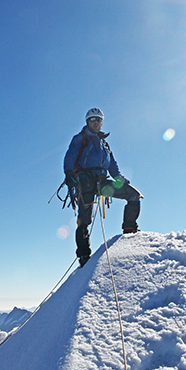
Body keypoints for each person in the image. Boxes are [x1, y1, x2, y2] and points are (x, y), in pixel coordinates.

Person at [63, 108, 142, 267]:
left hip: (101, 180)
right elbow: (70, 156)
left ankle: (129, 229)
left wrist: (118, 178)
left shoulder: (104, 143)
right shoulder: (80, 138)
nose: (96, 122)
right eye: (93, 119)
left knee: (133, 195)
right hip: (84, 180)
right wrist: (69, 174)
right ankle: (84, 256)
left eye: (99, 119)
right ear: (87, 121)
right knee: (84, 220)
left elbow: (112, 164)